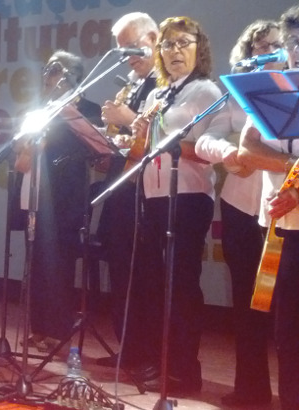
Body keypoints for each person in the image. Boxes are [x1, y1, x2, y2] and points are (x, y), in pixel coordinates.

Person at [130, 16, 231, 395]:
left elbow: (205, 152)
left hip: (188, 197)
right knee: (158, 286)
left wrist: (162, 136)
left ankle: (186, 371)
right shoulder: (159, 94)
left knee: (182, 286)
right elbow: (142, 153)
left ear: (198, 48)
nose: (175, 51)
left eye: (183, 43)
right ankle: (163, 362)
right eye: (168, 44)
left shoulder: (206, 91)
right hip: (154, 196)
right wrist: (140, 134)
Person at [196, 19, 281, 407]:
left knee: (283, 307)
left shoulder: (290, 95)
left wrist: (258, 156)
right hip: (238, 207)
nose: (266, 53)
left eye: (275, 46)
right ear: (246, 55)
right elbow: (204, 139)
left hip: (281, 213)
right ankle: (251, 390)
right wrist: (228, 153)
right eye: (258, 47)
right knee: (247, 305)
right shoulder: (232, 95)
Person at [13, 50, 102, 352]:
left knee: (61, 264)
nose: (50, 77)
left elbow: (95, 156)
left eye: (57, 71)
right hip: (37, 194)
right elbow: (21, 156)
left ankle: (59, 330)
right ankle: (38, 327)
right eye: (48, 71)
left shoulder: (90, 109)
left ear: (74, 77)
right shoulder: (39, 110)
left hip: (69, 197)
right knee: (36, 264)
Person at [238, 6, 299, 409]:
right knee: (285, 329)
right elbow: (247, 148)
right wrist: (292, 170)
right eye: (293, 44)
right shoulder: (272, 90)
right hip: (277, 222)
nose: (296, 52)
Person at [95, 12, 159, 370]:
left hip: (145, 193)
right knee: (120, 269)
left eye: (133, 47)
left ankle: (148, 353)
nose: (128, 57)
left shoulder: (162, 83)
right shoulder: (133, 82)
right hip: (120, 188)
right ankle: (129, 348)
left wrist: (125, 118)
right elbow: (128, 141)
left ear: (153, 37)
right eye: (122, 50)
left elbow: (153, 135)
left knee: (144, 274)